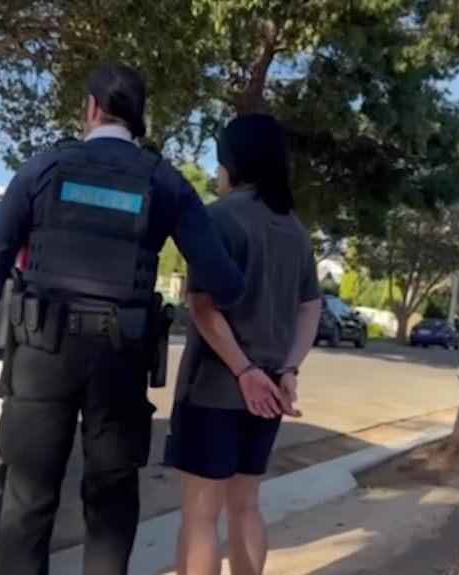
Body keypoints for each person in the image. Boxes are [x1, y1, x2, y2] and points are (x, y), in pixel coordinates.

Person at [0, 63, 245, 575]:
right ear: (140, 119)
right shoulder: (166, 184)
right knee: (110, 505)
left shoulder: (43, 169)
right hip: (120, 361)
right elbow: (226, 283)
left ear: (91, 108)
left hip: (40, 355)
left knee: (27, 502)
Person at [164, 113, 323, 575]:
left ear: (234, 162)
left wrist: (241, 371)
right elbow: (310, 308)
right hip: (269, 393)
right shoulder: (295, 232)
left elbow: (203, 307)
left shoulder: (217, 219)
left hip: (213, 388)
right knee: (246, 507)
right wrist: (288, 370)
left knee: (199, 516)